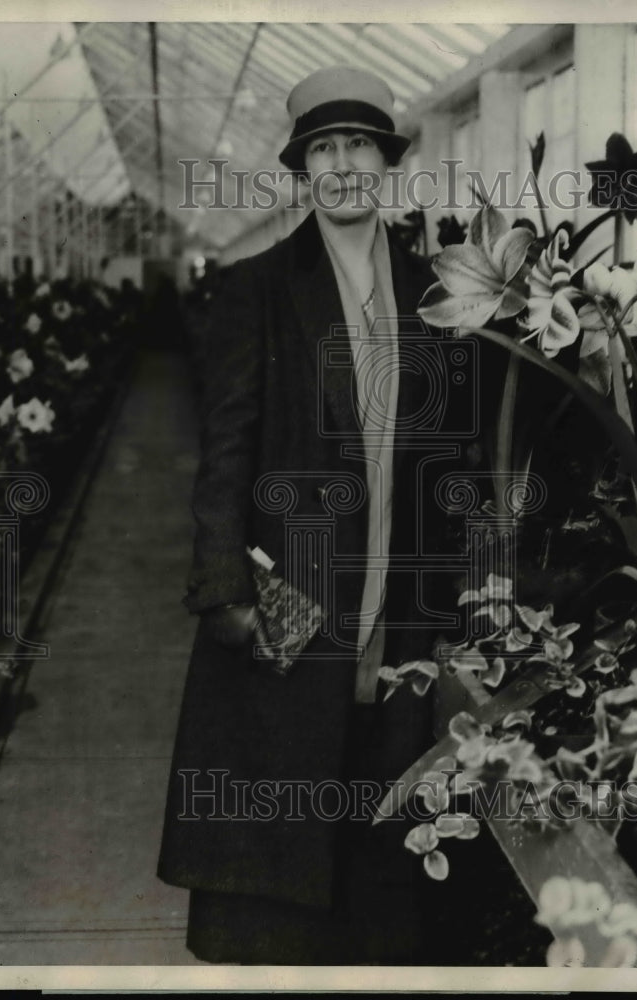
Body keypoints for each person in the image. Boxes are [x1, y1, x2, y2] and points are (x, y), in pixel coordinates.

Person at [158, 65, 450, 965]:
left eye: (359, 144)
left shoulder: (438, 294)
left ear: (385, 162)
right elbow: (226, 450)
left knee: (383, 836)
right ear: (303, 170)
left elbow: (453, 459)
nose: (343, 165)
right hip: (299, 593)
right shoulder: (255, 288)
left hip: (398, 599)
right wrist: (225, 591)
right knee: (279, 850)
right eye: (324, 148)